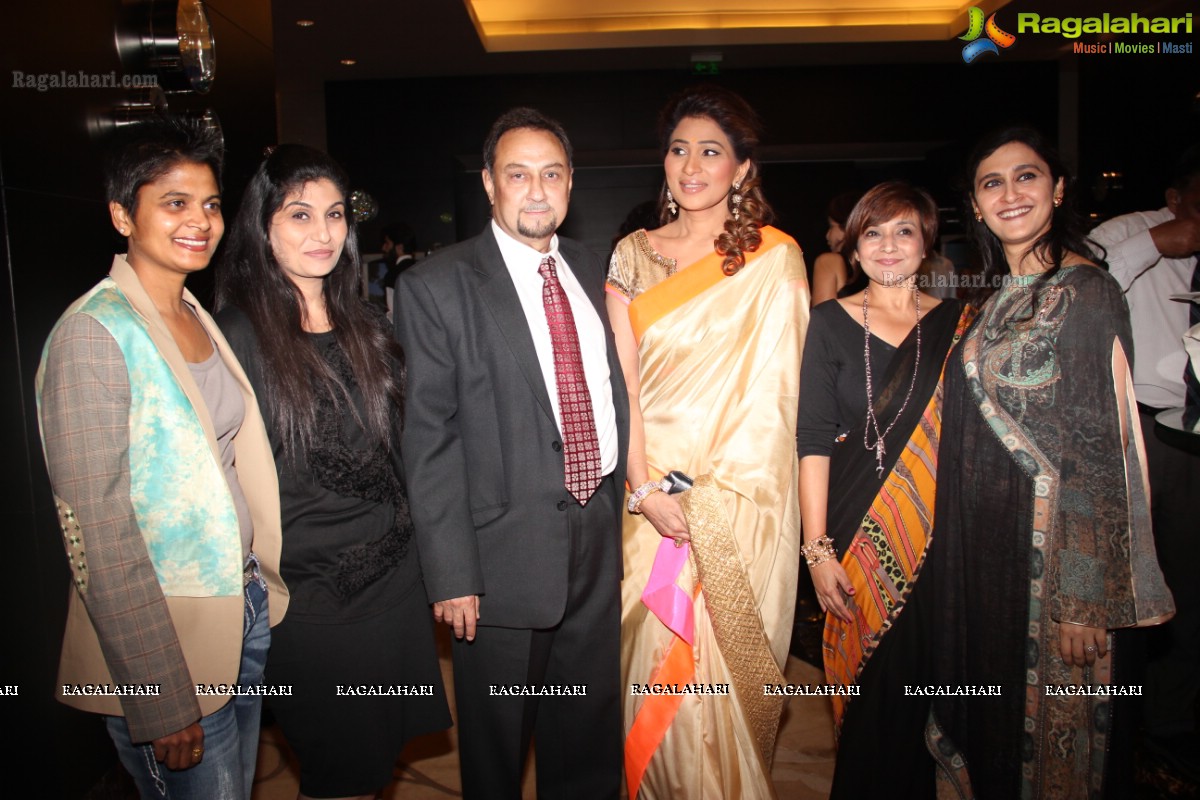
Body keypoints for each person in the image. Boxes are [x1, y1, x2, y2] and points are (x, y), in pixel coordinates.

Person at [36, 116, 287, 799]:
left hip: (239, 610)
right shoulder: (94, 334)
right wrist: (160, 693)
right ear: (123, 214)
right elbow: (97, 531)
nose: (199, 221)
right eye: (174, 203)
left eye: (209, 204)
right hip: (166, 645)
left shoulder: (194, 313)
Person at [925, 127, 1175, 799]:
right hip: (989, 562)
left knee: (1055, 755)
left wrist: (1082, 599)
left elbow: (1097, 450)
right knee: (998, 732)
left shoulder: (1086, 294)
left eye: (1026, 176)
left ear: (1058, 189)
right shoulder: (993, 299)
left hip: (1052, 573)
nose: (1010, 194)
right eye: (991, 182)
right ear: (975, 206)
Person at [394, 108, 629, 799]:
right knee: (496, 754)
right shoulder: (435, 286)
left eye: (551, 174)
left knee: (588, 736)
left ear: (571, 184)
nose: (536, 190)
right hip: (498, 560)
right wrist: (451, 572)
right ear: (490, 184)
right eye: (518, 174)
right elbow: (427, 438)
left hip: (596, 534)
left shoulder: (599, 267)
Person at [215, 145, 449, 800]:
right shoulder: (237, 334)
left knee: (371, 770)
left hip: (395, 588)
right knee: (339, 772)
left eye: (335, 215)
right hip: (313, 603)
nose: (322, 233)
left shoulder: (365, 323)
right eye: (299, 215)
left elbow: (405, 450)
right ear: (263, 227)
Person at [607, 85, 809, 799]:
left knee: (711, 686)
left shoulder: (774, 260)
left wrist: (699, 501)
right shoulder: (632, 254)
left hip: (729, 504)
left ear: (743, 169)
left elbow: (774, 403)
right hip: (645, 503)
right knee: (646, 673)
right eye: (679, 149)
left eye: (712, 152)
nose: (691, 165)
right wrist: (642, 491)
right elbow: (620, 386)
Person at [797, 181, 970, 798]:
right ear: (853, 246)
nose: (888, 246)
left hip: (937, 529)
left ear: (927, 245)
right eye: (873, 232)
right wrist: (817, 550)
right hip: (852, 524)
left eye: (904, 232)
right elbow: (813, 440)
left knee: (920, 688)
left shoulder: (960, 324)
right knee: (866, 696)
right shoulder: (828, 323)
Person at [1088, 145, 1200, 779]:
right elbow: (1081, 280)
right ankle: (1129, 715)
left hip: (1195, 430)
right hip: (1149, 431)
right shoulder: (1130, 232)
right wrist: (1161, 240)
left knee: (1193, 581)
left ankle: (1173, 715)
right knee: (1143, 578)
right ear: (1177, 197)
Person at [810, 191, 859, 304]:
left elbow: (824, 319)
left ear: (847, 227)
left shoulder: (829, 261)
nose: (827, 235)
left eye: (832, 226)